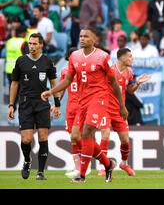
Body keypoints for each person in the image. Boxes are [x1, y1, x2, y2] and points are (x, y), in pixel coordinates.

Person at [41, 27, 128, 183]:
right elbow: (67, 80)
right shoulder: (74, 56)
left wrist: (121, 106)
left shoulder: (103, 57)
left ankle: (81, 174)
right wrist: (51, 91)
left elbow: (113, 82)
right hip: (83, 101)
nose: (82, 39)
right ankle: (108, 164)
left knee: (87, 131)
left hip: (99, 99)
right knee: (80, 136)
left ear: (94, 39)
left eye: (86, 36)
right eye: (80, 36)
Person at [8, 33, 61, 180]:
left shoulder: (47, 62)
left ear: (41, 45)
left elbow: (54, 84)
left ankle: (41, 172)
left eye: (34, 43)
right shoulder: (21, 61)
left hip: (42, 103)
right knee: (26, 139)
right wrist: (11, 105)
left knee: (43, 136)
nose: (31, 46)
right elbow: (14, 84)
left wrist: (57, 104)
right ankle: (27, 160)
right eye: (30, 43)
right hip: (25, 103)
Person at [98, 48, 151, 177]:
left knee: (125, 140)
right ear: (121, 58)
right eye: (130, 57)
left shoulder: (129, 72)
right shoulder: (109, 69)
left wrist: (137, 83)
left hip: (119, 110)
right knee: (105, 135)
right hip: (105, 108)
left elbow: (131, 91)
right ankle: (104, 166)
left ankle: (124, 164)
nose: (132, 59)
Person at [60, 48, 92, 179]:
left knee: (76, 135)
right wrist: (57, 104)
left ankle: (86, 164)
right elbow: (62, 87)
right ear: (68, 57)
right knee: (72, 138)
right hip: (70, 108)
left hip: (81, 106)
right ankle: (78, 168)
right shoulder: (64, 70)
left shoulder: (83, 70)